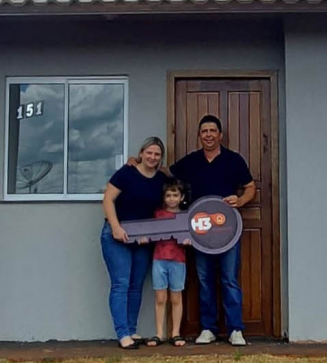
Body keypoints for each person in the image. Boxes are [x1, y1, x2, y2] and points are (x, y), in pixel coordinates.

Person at [170, 115, 256, 346]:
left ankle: (235, 329)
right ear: (199, 136)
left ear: (220, 135)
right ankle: (208, 328)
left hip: (228, 229)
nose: (208, 134)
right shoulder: (191, 162)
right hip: (200, 232)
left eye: (212, 131)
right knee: (205, 279)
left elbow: (250, 187)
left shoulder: (233, 160)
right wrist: (137, 162)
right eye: (204, 131)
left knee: (229, 279)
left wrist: (241, 200)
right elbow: (166, 176)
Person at [100, 137, 167, 349]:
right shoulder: (126, 173)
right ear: (141, 152)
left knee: (136, 286)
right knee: (121, 284)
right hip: (117, 237)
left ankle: (131, 329)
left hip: (143, 240)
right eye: (149, 153)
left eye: (157, 154)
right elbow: (107, 199)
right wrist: (116, 227)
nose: (152, 157)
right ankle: (122, 334)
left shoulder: (161, 179)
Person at [144, 178, 191, 347]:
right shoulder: (157, 214)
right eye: (168, 195)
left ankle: (175, 333)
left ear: (181, 197)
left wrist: (189, 241)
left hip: (178, 260)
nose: (171, 198)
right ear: (164, 197)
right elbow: (149, 232)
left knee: (176, 297)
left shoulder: (186, 216)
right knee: (160, 297)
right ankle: (159, 333)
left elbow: (192, 236)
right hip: (159, 259)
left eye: (175, 195)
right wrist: (144, 238)